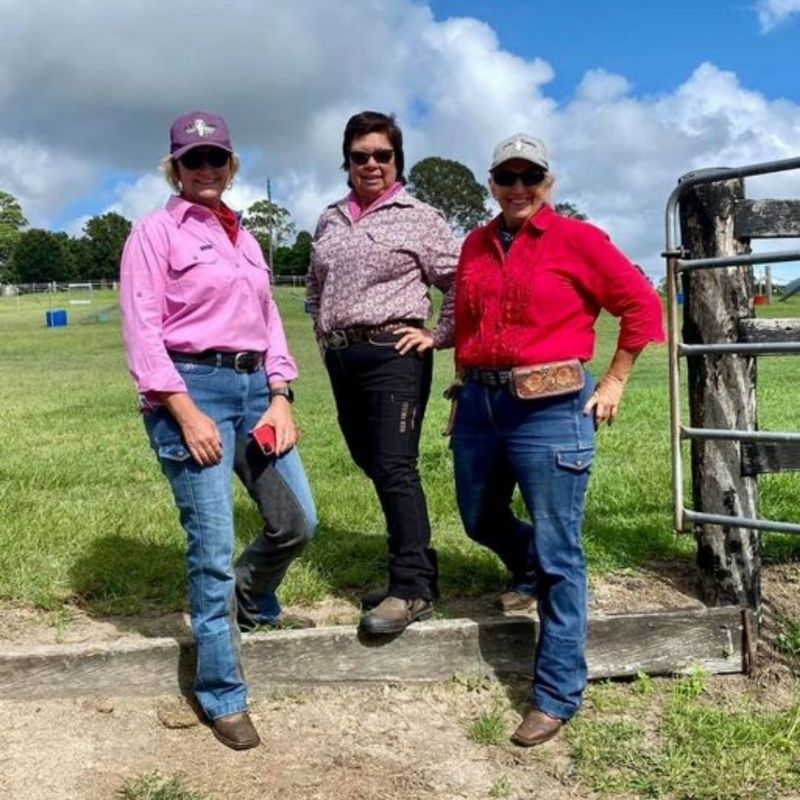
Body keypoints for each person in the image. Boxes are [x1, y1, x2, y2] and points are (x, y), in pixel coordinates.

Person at [451, 133, 665, 746]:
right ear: (491, 182)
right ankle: (522, 568)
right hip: (479, 402)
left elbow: (641, 307)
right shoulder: (476, 243)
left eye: (531, 176)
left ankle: (557, 690)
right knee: (477, 515)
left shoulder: (579, 240)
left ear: (548, 182)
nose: (518, 188)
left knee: (559, 550)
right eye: (506, 176)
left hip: (552, 407)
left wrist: (617, 381)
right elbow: (470, 323)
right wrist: (462, 388)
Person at [120, 110, 317, 750]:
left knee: (296, 522)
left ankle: (253, 599)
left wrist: (281, 393)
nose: (205, 170)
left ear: (232, 167)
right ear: (174, 169)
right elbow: (142, 328)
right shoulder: (154, 234)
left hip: (257, 389)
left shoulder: (248, 239)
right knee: (211, 547)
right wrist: (182, 408)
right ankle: (222, 692)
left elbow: (270, 323)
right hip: (191, 390)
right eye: (192, 160)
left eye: (216, 159)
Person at [307, 111, 460, 636]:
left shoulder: (421, 217)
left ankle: (411, 587)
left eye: (382, 155)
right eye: (360, 156)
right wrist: (324, 342)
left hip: (395, 352)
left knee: (395, 466)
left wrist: (438, 336)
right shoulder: (330, 218)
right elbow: (314, 289)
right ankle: (420, 562)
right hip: (342, 356)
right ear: (346, 162)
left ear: (398, 160)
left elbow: (461, 280)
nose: (371, 164)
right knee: (368, 459)